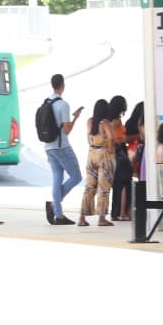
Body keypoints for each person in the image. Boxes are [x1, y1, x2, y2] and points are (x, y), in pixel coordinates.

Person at [43, 74, 84, 226]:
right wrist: (75, 118)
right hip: (62, 146)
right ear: (62, 85)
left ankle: (58, 213)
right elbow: (66, 130)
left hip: (49, 146)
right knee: (76, 177)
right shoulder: (63, 104)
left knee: (56, 178)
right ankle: (55, 206)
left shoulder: (46, 102)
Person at [79, 98, 115, 227]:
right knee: (104, 188)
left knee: (89, 187)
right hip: (103, 155)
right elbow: (111, 137)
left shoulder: (90, 121)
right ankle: (101, 218)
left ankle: (82, 218)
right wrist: (111, 149)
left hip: (91, 154)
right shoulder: (105, 122)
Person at [109, 96, 136, 222]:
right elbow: (115, 138)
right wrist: (124, 139)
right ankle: (122, 212)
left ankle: (118, 212)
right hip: (120, 153)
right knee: (124, 182)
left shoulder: (110, 120)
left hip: (118, 152)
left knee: (119, 183)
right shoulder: (116, 121)